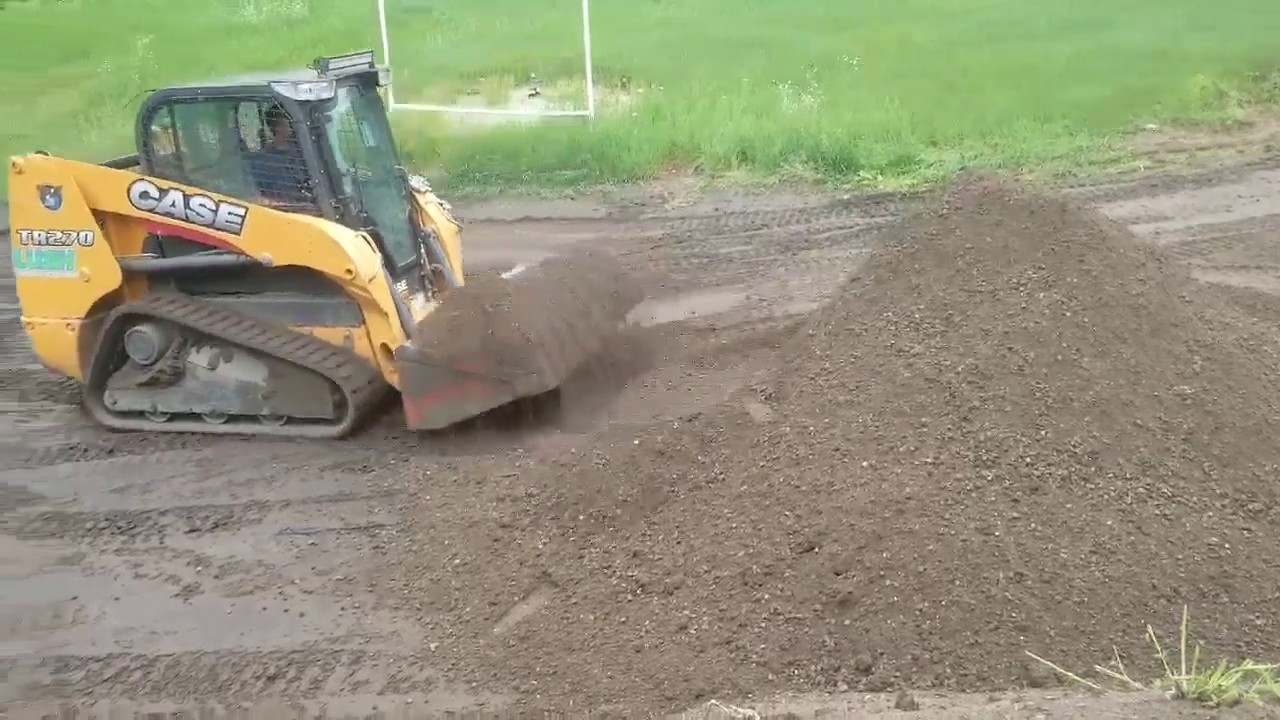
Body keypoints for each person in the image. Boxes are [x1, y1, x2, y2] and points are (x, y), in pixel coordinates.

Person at [248, 104, 312, 204]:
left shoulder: (304, 153)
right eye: (289, 122)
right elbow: (256, 197)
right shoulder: (262, 161)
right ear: (278, 127)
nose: (293, 126)